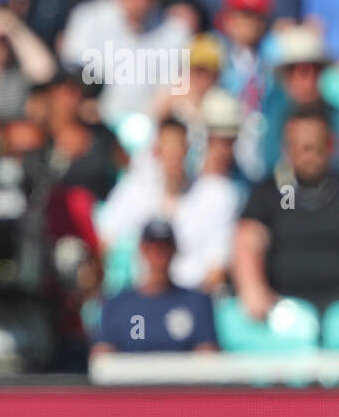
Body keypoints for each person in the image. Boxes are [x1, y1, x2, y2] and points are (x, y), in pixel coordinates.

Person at [234, 102, 339, 319]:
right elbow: (248, 239)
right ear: (287, 149)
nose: (308, 156)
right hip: (283, 314)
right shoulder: (269, 193)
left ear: (330, 145)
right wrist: (253, 287)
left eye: (315, 147)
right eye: (300, 148)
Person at [93, 218, 218, 354]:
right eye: (152, 247)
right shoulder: (117, 306)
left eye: (164, 247)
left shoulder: (197, 303)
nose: (158, 254)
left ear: (174, 250)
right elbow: (103, 357)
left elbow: (207, 355)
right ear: (142, 249)